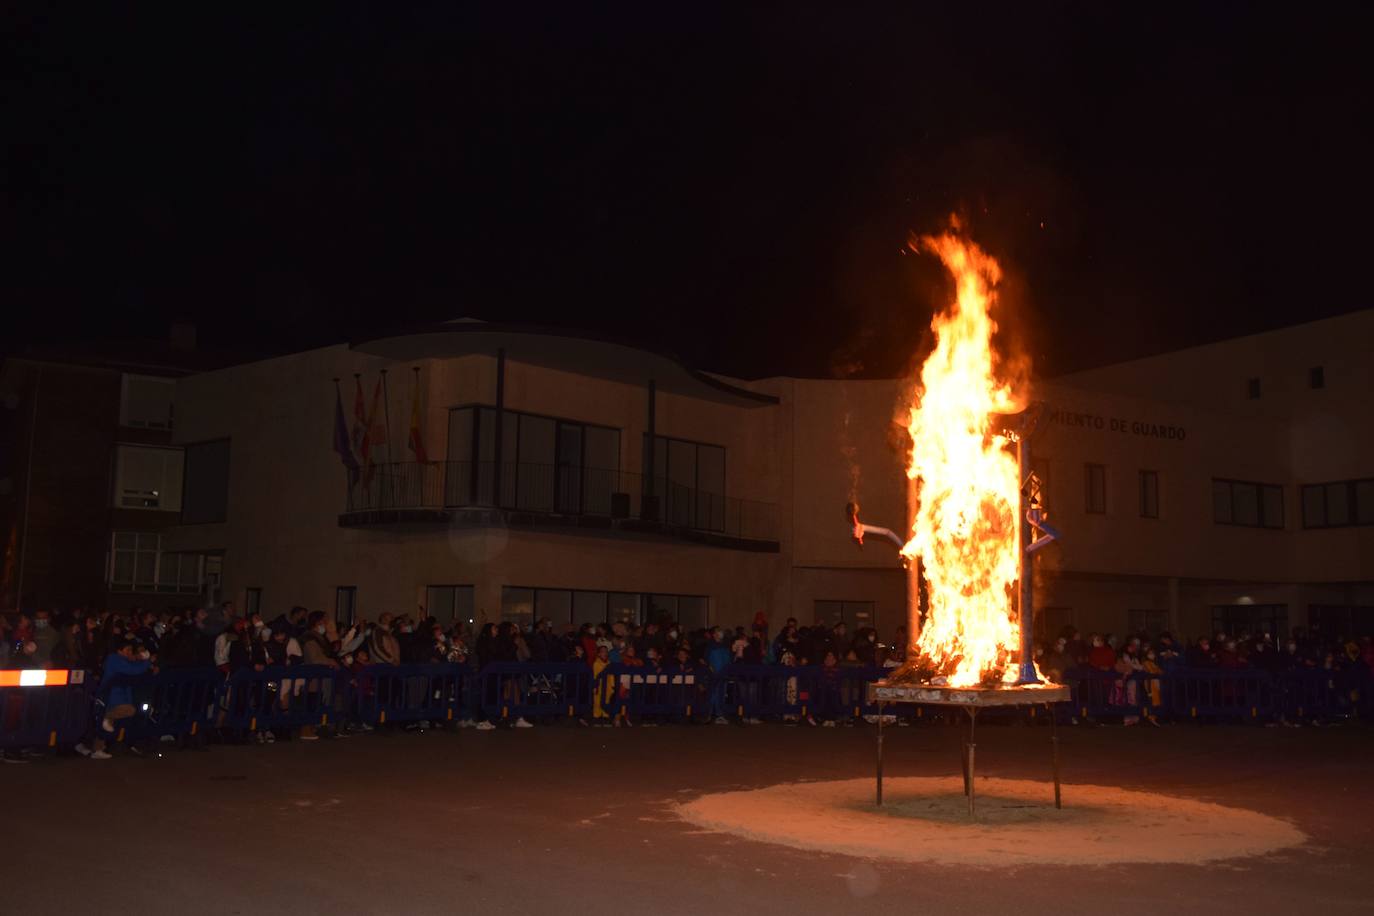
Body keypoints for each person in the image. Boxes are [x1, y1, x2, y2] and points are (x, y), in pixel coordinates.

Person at [76, 636, 153, 760]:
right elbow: (133, 670)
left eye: (130, 650)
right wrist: (146, 662)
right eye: (127, 650)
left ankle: (98, 748)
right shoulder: (114, 659)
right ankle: (106, 722)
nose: (129, 653)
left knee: (107, 724)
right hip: (111, 697)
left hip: (119, 697)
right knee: (115, 716)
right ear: (119, 650)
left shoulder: (123, 660)